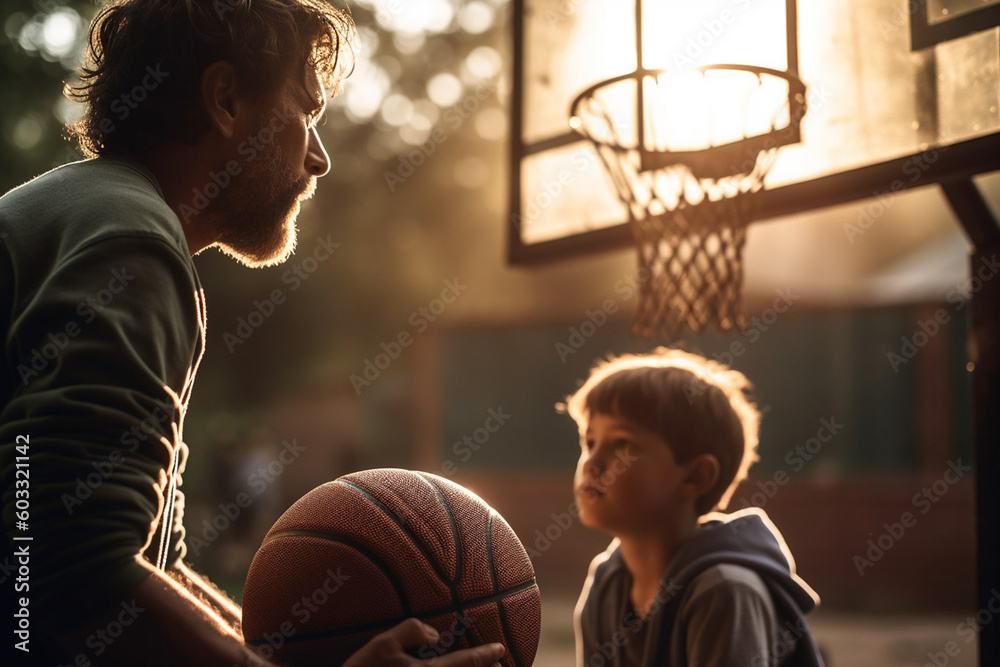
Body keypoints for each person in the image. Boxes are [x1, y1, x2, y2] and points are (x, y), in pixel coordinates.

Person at [0, 1, 505, 666]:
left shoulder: (96, 216)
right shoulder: (130, 239)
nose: (320, 158)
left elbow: (155, 561)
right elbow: (71, 559)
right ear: (227, 99)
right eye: (309, 113)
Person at [561, 348, 824, 667]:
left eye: (623, 444)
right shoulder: (606, 582)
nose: (592, 463)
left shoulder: (724, 590)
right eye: (589, 443)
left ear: (696, 476)